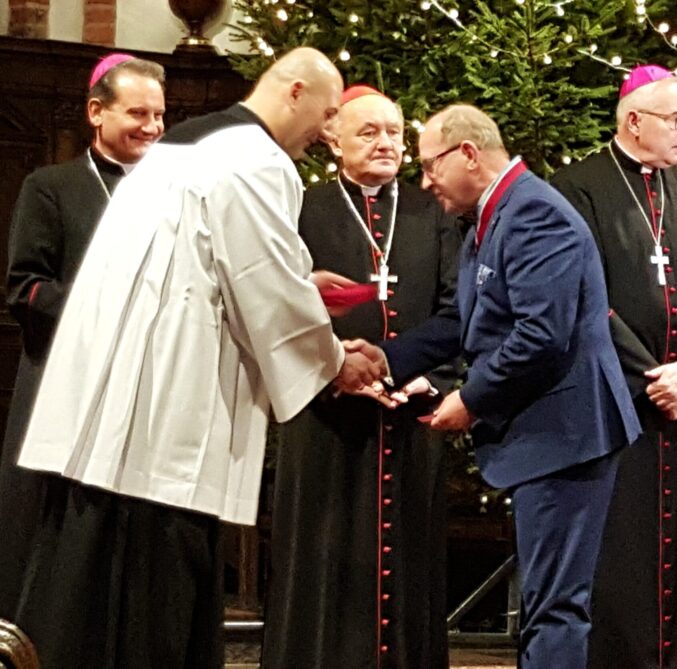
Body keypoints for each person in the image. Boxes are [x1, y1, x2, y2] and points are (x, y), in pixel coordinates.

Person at [12, 47, 387, 668]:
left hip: (121, 397)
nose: (324, 135)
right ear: (294, 92)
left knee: (97, 588)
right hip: (170, 410)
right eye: (324, 116)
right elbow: (259, 282)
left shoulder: (182, 145)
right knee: (157, 599)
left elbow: (206, 261)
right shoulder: (257, 160)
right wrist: (333, 361)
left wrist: (301, 283)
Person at [381, 104, 640, 669]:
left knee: (554, 607)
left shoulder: (533, 215)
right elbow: (465, 322)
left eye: (429, 166)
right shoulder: (495, 213)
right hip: (550, 435)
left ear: (468, 153)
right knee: (547, 602)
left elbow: (541, 337)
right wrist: (383, 360)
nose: (425, 182)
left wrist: (470, 401)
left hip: (566, 434)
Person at [261, 86, 461, 669]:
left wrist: (428, 377)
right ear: (332, 137)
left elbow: (458, 307)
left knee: (411, 567)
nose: (384, 144)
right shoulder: (302, 208)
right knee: (323, 561)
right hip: (326, 418)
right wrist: (332, 373)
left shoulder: (433, 211)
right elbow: (276, 307)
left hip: (412, 414)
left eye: (394, 132)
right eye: (368, 131)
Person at [551, 64, 677, 668]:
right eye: (675, 119)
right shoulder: (577, 187)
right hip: (614, 403)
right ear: (635, 120)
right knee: (622, 553)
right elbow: (582, 296)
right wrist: (651, 374)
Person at [0, 53, 166, 622]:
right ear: (97, 112)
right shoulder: (50, 187)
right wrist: (112, 308)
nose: (152, 127)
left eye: (159, 116)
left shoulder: (173, 193)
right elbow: (25, 289)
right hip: (63, 388)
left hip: (148, 387)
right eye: (138, 113)